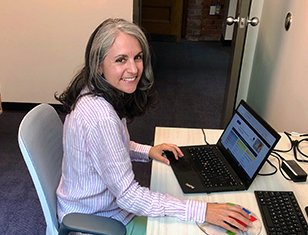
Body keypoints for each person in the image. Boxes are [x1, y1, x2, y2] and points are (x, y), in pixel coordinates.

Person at [55, 18, 251, 234]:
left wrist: (148, 151)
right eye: (121, 60)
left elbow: (109, 149)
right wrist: (201, 210)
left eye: (137, 57)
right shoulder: (101, 116)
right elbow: (128, 196)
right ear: (99, 65)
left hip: (93, 206)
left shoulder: (95, 92)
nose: (134, 69)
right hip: (98, 220)